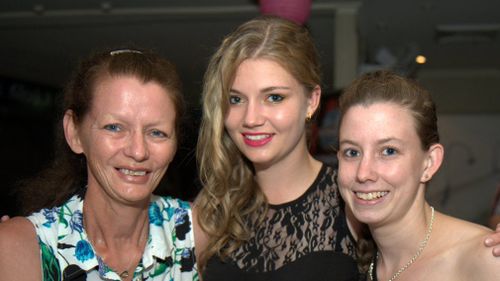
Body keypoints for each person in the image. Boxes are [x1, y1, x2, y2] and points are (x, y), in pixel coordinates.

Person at [193, 15, 367, 281]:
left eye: (274, 97)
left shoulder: (353, 200)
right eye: (236, 99)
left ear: (311, 101)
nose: (251, 118)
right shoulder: (211, 209)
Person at [0, 48, 198, 280]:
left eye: (156, 132)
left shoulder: (195, 235)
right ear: (74, 132)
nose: (138, 151)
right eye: (114, 127)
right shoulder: (23, 248)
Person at [336, 70, 500, 280]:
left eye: (389, 151)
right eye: (352, 152)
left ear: (429, 162)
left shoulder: (484, 259)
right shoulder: (356, 263)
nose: (363, 173)